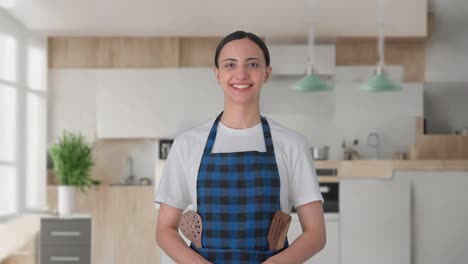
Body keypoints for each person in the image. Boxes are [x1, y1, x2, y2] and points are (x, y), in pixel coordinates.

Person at [155, 30, 325, 264]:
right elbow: (165, 229)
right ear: (217, 74)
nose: (241, 74)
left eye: (252, 64)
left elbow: (316, 234)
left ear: (267, 73)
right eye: (230, 65)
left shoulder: (292, 144)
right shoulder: (187, 144)